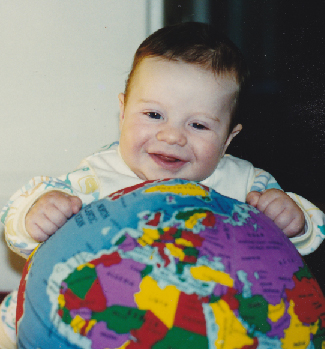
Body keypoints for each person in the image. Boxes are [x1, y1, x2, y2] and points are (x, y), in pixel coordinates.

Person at [0, 22, 324, 348]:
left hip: (206, 317)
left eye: (197, 124)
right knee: (16, 312)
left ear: (228, 138)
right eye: (154, 115)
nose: (171, 136)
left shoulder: (245, 182)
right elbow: (26, 230)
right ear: (124, 111)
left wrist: (294, 222)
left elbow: (302, 237)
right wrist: (36, 215)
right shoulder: (96, 175)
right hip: (106, 313)